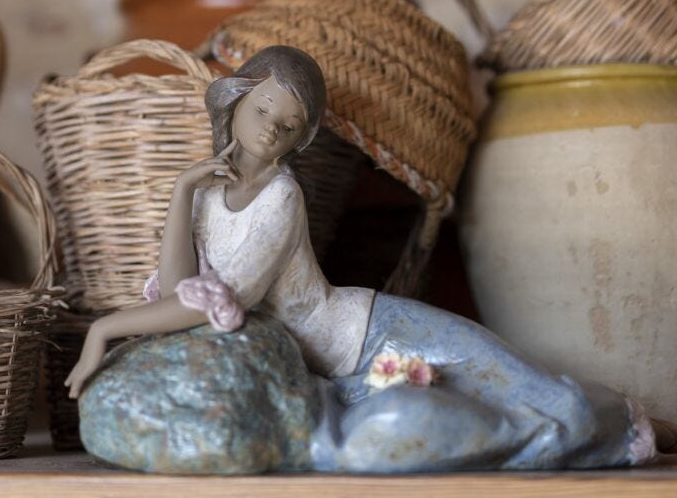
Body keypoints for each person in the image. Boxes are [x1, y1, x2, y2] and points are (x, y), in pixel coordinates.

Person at [66, 45, 671, 470]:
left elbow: (222, 306)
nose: (271, 129)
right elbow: (179, 290)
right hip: (338, 371)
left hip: (371, 332)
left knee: (529, 387)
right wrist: (180, 192)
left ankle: (637, 428)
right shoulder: (207, 195)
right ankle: (612, 437)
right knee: (497, 410)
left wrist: (107, 328)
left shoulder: (281, 197)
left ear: (301, 138)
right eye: (263, 110)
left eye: (289, 124)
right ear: (238, 101)